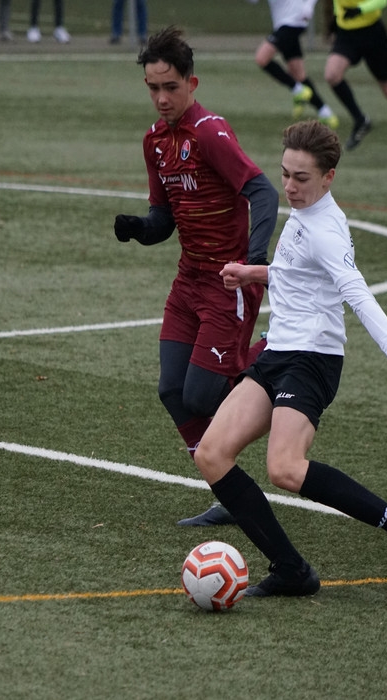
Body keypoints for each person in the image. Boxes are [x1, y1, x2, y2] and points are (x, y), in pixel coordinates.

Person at [192, 120, 387, 596]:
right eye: (285, 174)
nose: (289, 186)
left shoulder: (326, 229)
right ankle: (291, 570)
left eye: (301, 178)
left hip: (312, 359)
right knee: (211, 454)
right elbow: (295, 273)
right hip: (278, 352)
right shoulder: (304, 213)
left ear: (329, 177)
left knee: (285, 468)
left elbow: (357, 293)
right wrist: (253, 272)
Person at [114, 27, 279, 528]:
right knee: (172, 389)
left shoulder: (209, 132)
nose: (161, 98)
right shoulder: (155, 141)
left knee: (203, 396)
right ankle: (231, 494)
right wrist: (139, 229)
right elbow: (163, 219)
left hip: (228, 283)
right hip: (188, 282)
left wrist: (252, 265)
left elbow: (263, 192)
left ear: (192, 83)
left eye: (171, 87)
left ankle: (277, 356)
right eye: (153, 88)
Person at [324, 1, 387, 160]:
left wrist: (360, 10)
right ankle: (360, 120)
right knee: (332, 75)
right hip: (346, 34)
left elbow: (382, 1)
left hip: (372, 33)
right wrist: (335, 20)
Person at [254, 0, 339, 130]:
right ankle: (325, 112)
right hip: (286, 24)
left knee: (262, 58)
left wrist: (308, 6)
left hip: (292, 22)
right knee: (298, 74)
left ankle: (297, 89)